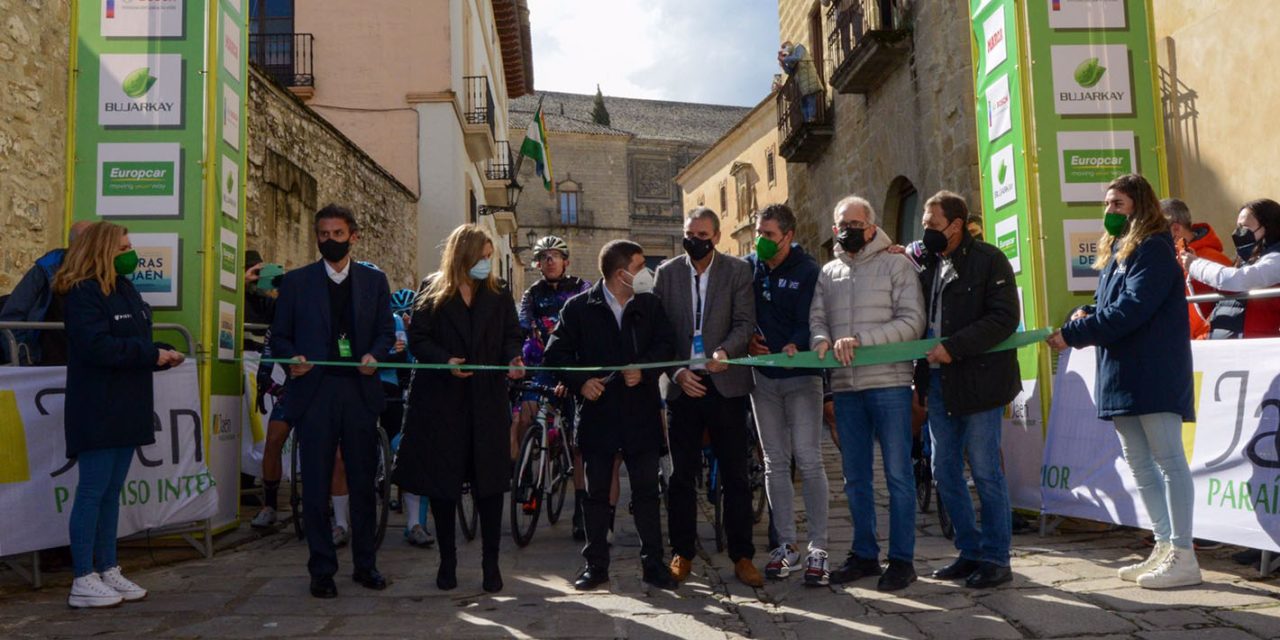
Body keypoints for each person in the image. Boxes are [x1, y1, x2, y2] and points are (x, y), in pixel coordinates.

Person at [1048, 174, 1201, 589]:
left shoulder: (1152, 247)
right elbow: (1108, 305)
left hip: (1152, 371)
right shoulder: (1120, 249)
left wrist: (1074, 334)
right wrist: (1084, 313)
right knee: (1139, 462)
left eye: (1117, 204)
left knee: (1168, 460)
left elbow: (1133, 308)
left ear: (1139, 205)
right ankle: (1164, 544)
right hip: (1122, 371)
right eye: (1107, 205)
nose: (1108, 212)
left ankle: (1184, 554)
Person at [55, 221, 186, 608]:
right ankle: (83, 576)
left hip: (129, 404)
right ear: (101, 251)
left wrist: (161, 352)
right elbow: (96, 346)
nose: (131, 252)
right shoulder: (82, 293)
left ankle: (107, 566)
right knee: (92, 491)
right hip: (97, 406)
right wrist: (149, 354)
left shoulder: (126, 288)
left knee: (112, 493)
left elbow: (134, 342)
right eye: (123, 247)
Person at [270, 204, 395, 599]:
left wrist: (375, 356)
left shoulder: (374, 282)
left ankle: (365, 565)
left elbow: (385, 332)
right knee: (317, 484)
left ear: (353, 236)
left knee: (362, 483)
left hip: (360, 392)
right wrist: (293, 361)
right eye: (323, 235)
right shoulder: (296, 282)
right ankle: (321, 569)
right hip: (315, 394)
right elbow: (280, 336)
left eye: (337, 234)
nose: (330, 241)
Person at [392, 224, 524, 593]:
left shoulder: (497, 293)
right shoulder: (432, 289)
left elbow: (512, 334)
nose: (487, 262)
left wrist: (513, 358)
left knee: (490, 484)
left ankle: (491, 565)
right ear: (464, 255)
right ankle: (447, 561)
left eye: (489, 257)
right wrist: (444, 360)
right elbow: (418, 338)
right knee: (443, 484)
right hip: (440, 401)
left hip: (486, 399)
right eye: (483, 256)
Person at [543, 240, 680, 591]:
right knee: (596, 494)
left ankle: (653, 564)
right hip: (599, 415)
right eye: (639, 265)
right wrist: (581, 382)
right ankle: (596, 565)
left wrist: (645, 370)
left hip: (642, 414)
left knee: (648, 491)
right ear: (621, 273)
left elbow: (666, 346)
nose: (646, 272)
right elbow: (555, 354)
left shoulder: (649, 305)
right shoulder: (578, 309)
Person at [811, 196, 926, 592]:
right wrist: (822, 339)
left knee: (897, 475)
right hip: (845, 388)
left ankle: (902, 560)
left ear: (873, 226)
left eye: (857, 222)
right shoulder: (828, 271)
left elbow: (913, 321)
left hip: (890, 384)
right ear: (834, 229)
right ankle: (863, 554)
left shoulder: (897, 264)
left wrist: (861, 341)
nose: (850, 229)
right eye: (843, 223)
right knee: (854, 477)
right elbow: (818, 318)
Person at [915, 191, 1021, 589]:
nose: (926, 232)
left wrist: (953, 348)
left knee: (985, 470)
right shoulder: (927, 263)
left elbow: (1005, 318)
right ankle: (969, 550)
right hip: (938, 382)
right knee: (944, 471)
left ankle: (997, 558)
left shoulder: (989, 260)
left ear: (955, 226)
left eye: (931, 224)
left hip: (981, 382)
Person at [654, 207, 763, 588]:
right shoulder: (666, 274)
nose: (695, 240)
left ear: (716, 236)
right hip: (684, 387)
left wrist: (725, 352)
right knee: (681, 476)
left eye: (702, 234)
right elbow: (661, 332)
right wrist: (678, 372)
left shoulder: (737, 271)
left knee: (735, 475)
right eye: (689, 232)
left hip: (725, 385)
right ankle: (682, 552)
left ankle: (743, 555)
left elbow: (744, 322)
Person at [742, 204, 830, 585]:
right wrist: (748, 340)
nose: (761, 240)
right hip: (763, 380)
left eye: (769, 235)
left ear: (788, 236)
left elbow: (812, 318)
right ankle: (786, 545)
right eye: (759, 232)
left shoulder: (809, 270)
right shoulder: (748, 268)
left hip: (802, 378)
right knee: (775, 462)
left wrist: (797, 343)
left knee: (809, 460)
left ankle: (819, 548)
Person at [516, 235, 598, 542]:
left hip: (573, 368)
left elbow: (590, 328)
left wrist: (573, 377)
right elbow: (522, 325)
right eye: (544, 257)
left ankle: (580, 508)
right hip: (542, 367)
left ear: (566, 261)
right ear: (537, 264)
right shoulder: (532, 293)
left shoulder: (582, 288)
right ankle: (526, 479)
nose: (550, 261)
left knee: (578, 444)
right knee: (524, 418)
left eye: (555, 256)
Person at [1182, 199, 1280, 339]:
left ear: (1268, 228)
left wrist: (1195, 265)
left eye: (1244, 227)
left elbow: (1237, 280)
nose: (1238, 233)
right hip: (1228, 346)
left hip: (1254, 350)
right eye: (1238, 227)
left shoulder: (1276, 259)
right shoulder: (1243, 261)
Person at [1, 220, 92, 365]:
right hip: (49, 364)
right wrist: (25, 358)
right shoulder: (47, 268)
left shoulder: (108, 273)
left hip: (92, 364)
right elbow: (11, 316)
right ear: (76, 245)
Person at [1161, 198, 1233, 339]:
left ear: (1176, 228)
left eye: (1155, 229)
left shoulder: (1215, 260)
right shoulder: (1167, 257)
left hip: (1202, 345)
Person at [778, 41, 822, 122]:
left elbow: (798, 58)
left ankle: (812, 118)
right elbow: (790, 72)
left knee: (810, 100)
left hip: (809, 80)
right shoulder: (791, 57)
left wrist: (784, 59)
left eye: (784, 47)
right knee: (804, 104)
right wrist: (783, 64)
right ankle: (807, 120)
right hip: (801, 84)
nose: (783, 50)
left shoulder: (798, 47)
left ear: (789, 45)